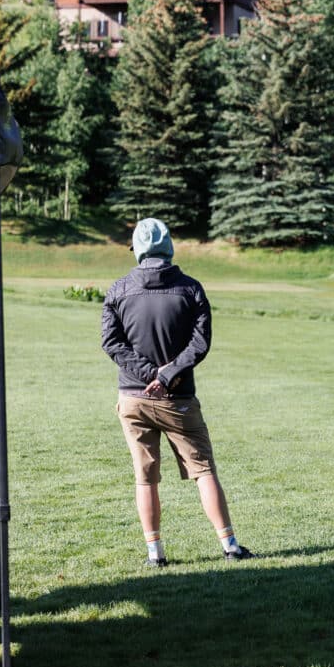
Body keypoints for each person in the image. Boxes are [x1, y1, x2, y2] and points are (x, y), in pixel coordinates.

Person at [101, 218, 254, 566]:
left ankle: (155, 554)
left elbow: (111, 343)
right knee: (203, 470)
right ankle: (230, 546)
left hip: (133, 398)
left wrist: (148, 375)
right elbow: (200, 343)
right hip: (178, 398)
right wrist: (166, 376)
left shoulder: (118, 289)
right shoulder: (191, 289)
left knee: (145, 478)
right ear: (169, 246)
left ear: (138, 250)